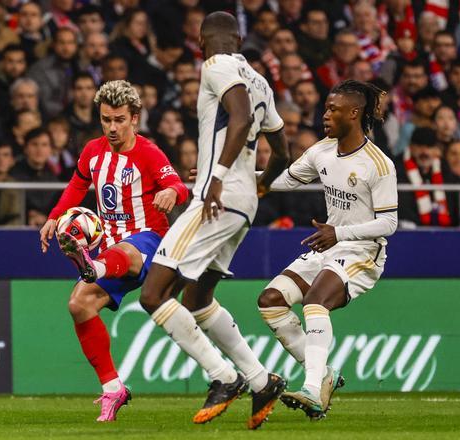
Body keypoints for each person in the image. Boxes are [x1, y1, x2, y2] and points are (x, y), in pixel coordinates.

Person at [138, 12, 290, 430]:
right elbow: (282, 152)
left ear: (203, 41)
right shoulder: (260, 80)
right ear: (239, 38)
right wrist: (257, 184)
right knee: (197, 299)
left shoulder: (215, 65)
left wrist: (216, 179)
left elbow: (238, 118)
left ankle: (223, 377)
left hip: (214, 201)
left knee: (153, 294)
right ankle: (261, 380)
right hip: (241, 204)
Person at [38, 80, 189, 422]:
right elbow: (77, 184)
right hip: (110, 252)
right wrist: (53, 217)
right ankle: (113, 389)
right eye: (106, 119)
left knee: (124, 249)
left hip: (151, 242)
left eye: (119, 119)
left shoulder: (149, 153)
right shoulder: (93, 151)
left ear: (135, 118)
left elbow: (178, 185)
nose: (112, 127)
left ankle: (92, 267)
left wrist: (171, 195)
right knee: (79, 305)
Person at [254, 80, 396, 419]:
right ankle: (324, 374)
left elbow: (389, 223)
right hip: (330, 246)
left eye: (333, 109)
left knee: (316, 300)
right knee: (270, 302)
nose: (326, 114)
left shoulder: (379, 164)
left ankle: (313, 390)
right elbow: (286, 179)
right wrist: (230, 177)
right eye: (326, 107)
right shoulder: (322, 150)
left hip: (363, 253)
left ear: (354, 113)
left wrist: (340, 232)